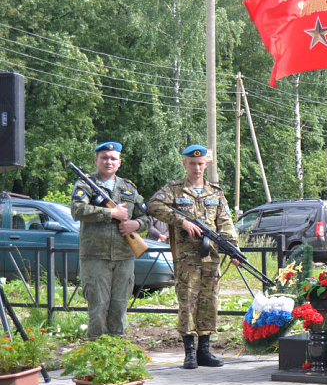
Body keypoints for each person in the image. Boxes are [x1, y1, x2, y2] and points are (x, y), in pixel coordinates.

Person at [148, 145, 240, 369]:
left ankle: (204, 351)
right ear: (185, 164)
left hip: (211, 257)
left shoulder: (215, 193)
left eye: (200, 164)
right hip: (186, 258)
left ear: (206, 164)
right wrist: (182, 222)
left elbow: (225, 223)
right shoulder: (174, 189)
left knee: (209, 302)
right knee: (187, 301)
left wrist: (233, 249)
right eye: (192, 163)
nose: (197, 168)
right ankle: (189, 352)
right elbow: (153, 205)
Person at [71, 141, 149, 340]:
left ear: (119, 163)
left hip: (124, 256)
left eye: (113, 158)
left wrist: (135, 225)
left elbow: (146, 217)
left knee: (119, 306)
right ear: (96, 160)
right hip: (95, 255)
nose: (108, 161)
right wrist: (110, 213)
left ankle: (117, 353)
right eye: (104, 158)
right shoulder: (85, 184)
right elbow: (77, 210)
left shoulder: (129, 187)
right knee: (97, 307)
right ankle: (97, 354)